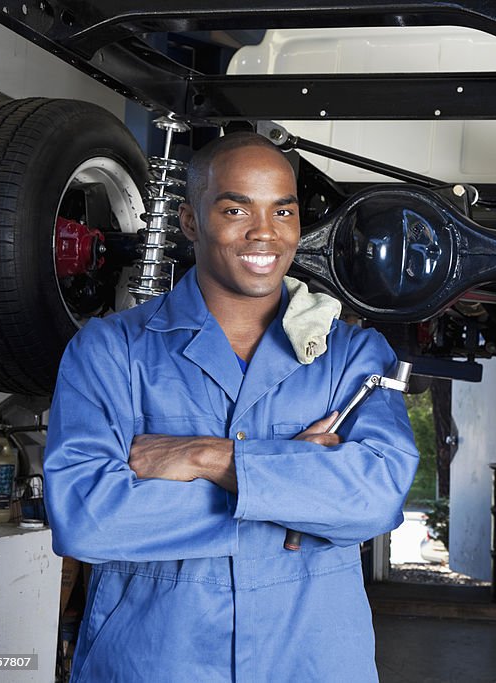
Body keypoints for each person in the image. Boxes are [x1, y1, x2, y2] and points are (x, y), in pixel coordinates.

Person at [43, 131, 419, 682]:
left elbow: (375, 500)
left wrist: (208, 458)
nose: (264, 232)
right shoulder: (110, 350)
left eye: (282, 211)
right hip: (156, 661)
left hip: (312, 660)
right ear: (190, 221)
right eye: (235, 208)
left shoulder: (354, 354)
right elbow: (86, 519)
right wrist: (294, 488)